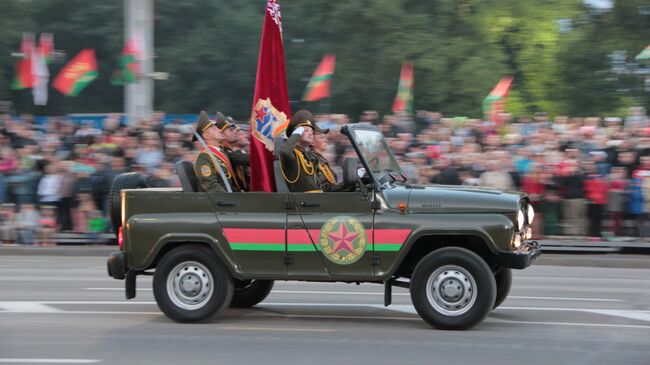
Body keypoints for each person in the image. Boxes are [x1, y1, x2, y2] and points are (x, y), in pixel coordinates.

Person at [279, 110, 330, 193]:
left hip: (318, 200)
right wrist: (296, 135)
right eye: (306, 130)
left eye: (312, 132)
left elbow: (325, 186)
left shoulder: (312, 157)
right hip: (303, 202)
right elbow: (285, 152)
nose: (310, 133)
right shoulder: (294, 156)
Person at [193, 111, 238, 193]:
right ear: (207, 135)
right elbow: (211, 186)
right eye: (215, 129)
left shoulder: (221, 152)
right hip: (221, 202)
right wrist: (232, 199)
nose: (220, 130)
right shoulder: (204, 157)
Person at [215, 113, 250, 191]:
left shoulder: (232, 151)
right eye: (231, 130)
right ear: (222, 135)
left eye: (235, 130)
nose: (235, 132)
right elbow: (248, 159)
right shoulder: (225, 153)